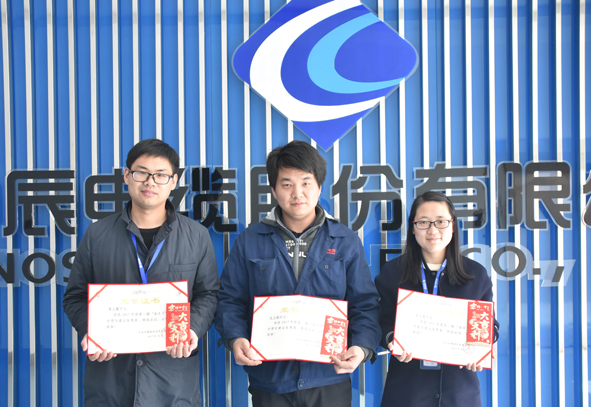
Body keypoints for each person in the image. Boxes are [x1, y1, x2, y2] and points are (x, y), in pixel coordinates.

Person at [215, 140, 381, 406]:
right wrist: (235, 338)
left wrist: (361, 348)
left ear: (319, 186)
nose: (297, 193)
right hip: (270, 380)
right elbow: (230, 300)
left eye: (306, 183)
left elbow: (364, 303)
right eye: (287, 184)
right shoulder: (249, 240)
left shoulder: (345, 241)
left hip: (329, 377)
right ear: (273, 190)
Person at [62, 138, 220, 406]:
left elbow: (208, 295)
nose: (150, 182)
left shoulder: (196, 236)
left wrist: (192, 328)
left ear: (173, 181)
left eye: (160, 175)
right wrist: (93, 330)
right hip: (111, 383)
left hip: (172, 384)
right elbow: (74, 297)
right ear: (127, 175)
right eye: (141, 173)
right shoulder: (96, 235)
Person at [375, 191, 499, 407]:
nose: (433, 230)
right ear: (413, 227)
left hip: (459, 395)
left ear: (453, 225)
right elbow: (379, 321)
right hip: (407, 394)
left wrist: (482, 346)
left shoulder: (475, 274)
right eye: (423, 222)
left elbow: (489, 325)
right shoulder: (393, 273)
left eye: (441, 221)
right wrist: (391, 339)